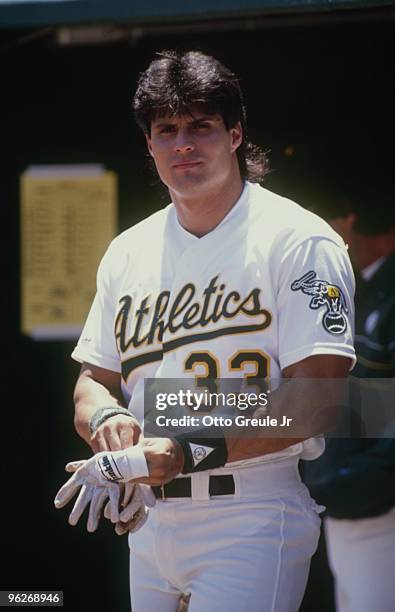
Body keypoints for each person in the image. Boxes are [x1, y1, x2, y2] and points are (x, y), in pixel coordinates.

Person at [55, 50, 356, 612]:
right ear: (148, 144)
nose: (182, 144)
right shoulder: (127, 250)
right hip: (149, 517)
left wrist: (192, 449)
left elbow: (319, 397)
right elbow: (92, 378)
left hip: (251, 508)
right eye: (165, 129)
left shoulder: (296, 240)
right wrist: (108, 419)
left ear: (236, 133)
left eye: (201, 126)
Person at [302, 201, 395, 612]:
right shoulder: (357, 289)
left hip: (378, 501)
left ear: (348, 219)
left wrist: (370, 475)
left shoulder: (382, 291)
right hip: (346, 496)